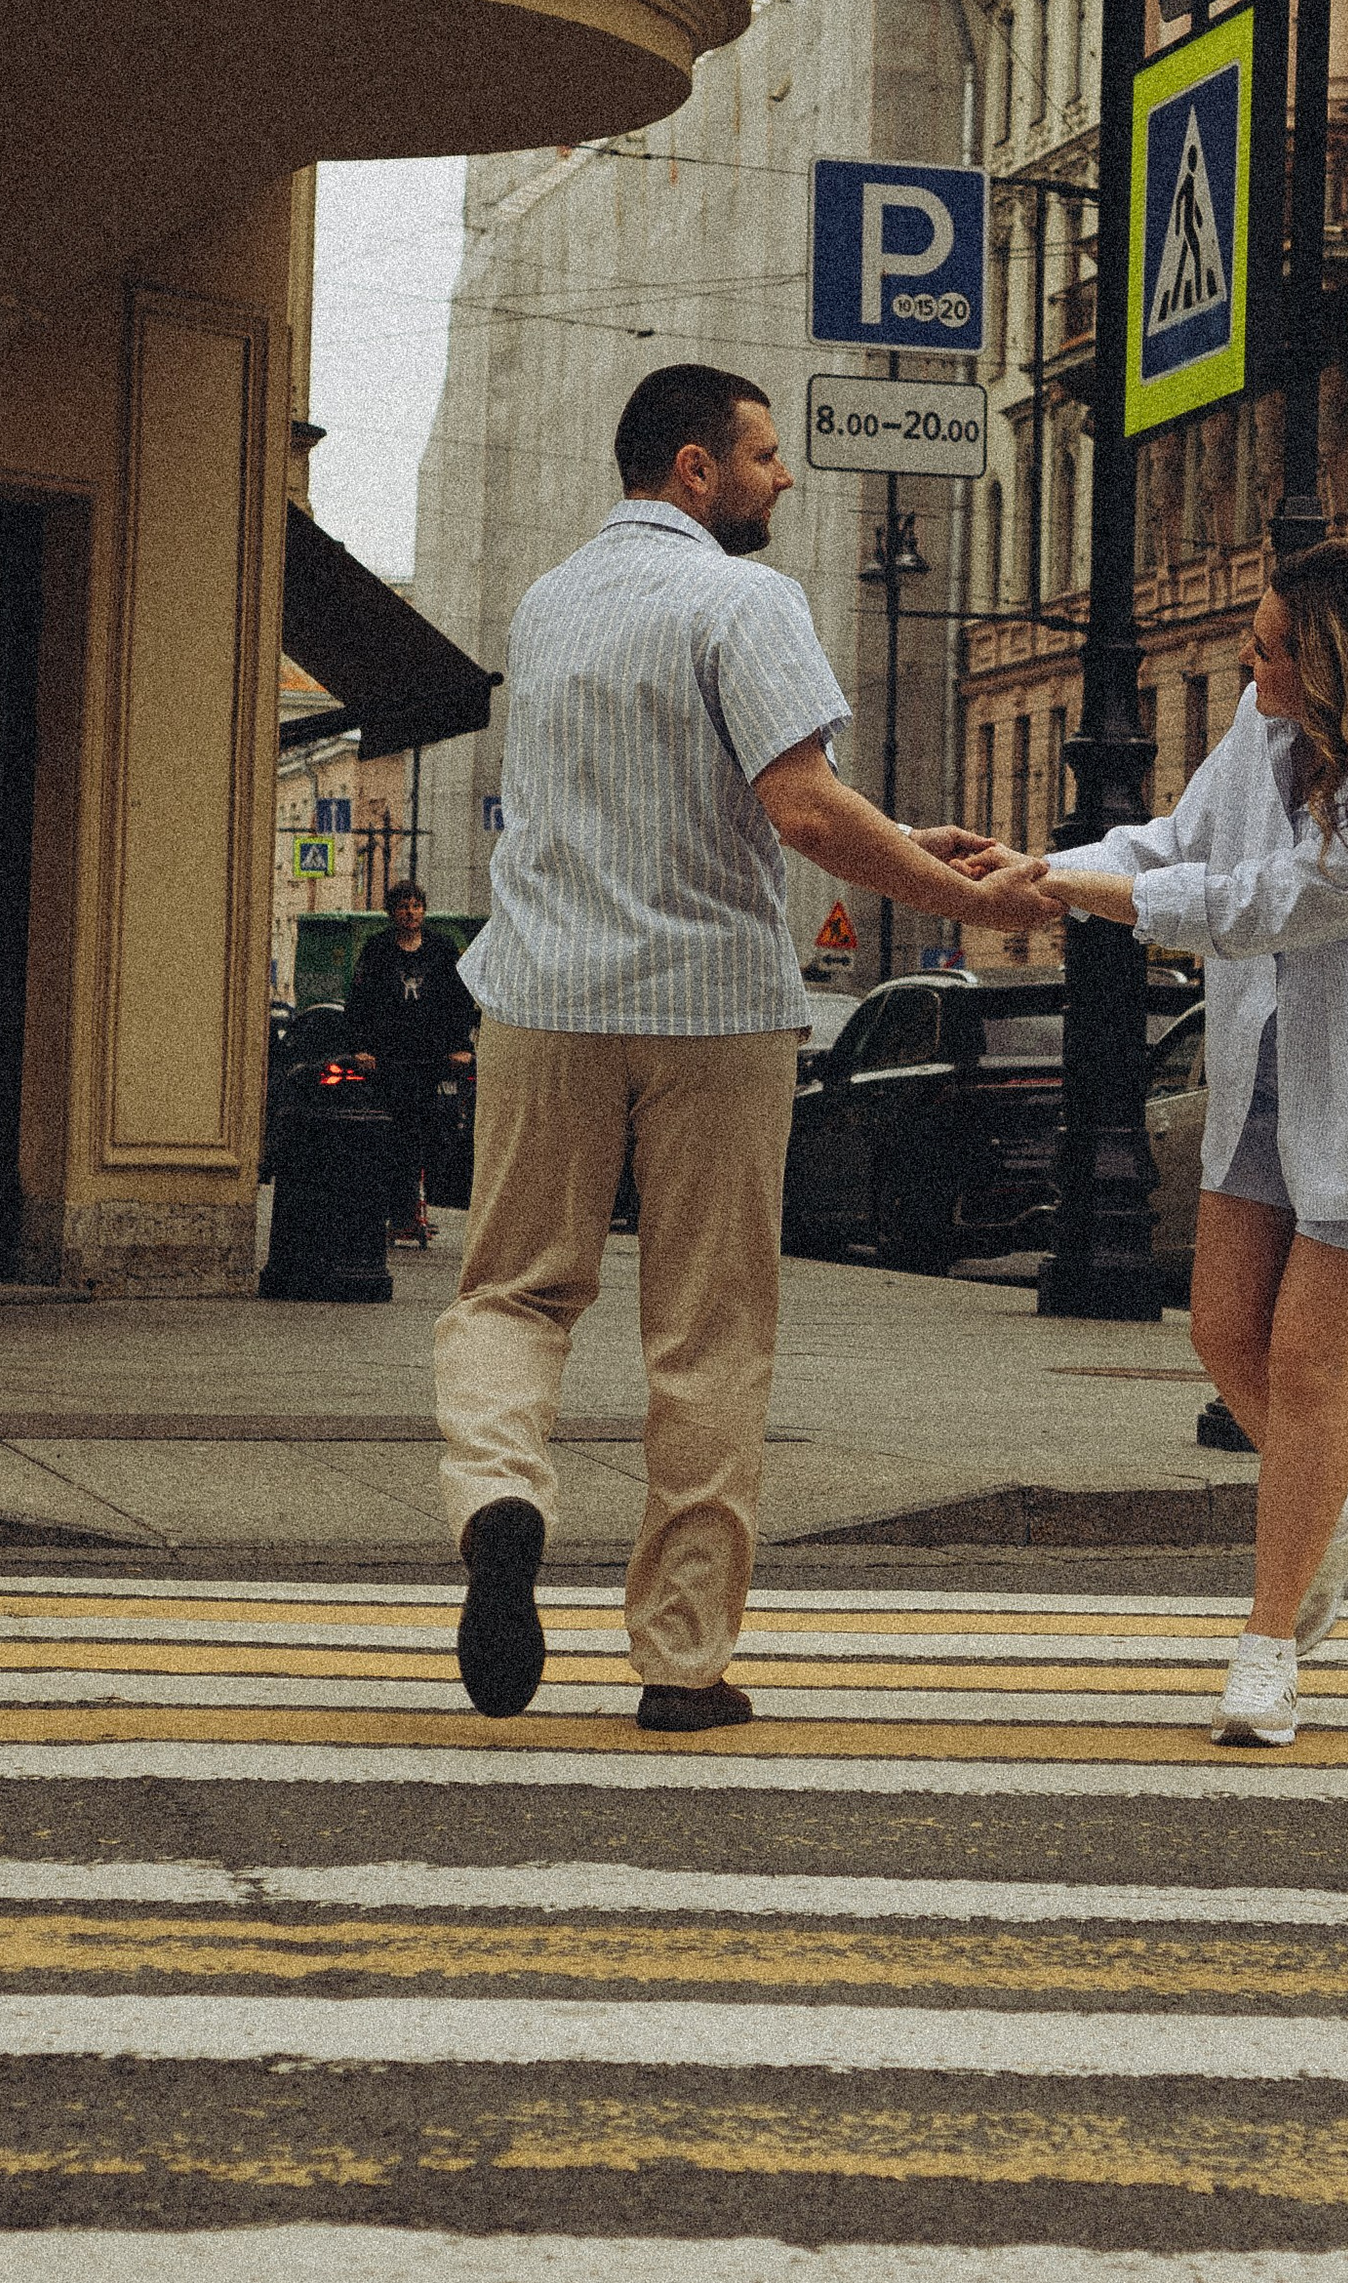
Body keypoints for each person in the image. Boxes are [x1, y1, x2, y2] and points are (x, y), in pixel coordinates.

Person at [439, 363, 1048, 1735]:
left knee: (512, 1294)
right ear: (695, 472)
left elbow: (764, 790)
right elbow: (799, 806)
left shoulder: (547, 603)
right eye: (765, 456)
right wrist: (959, 895)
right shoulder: (743, 597)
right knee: (707, 1331)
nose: (786, 478)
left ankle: (498, 1503)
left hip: (541, 996)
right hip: (710, 1006)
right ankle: (680, 1661)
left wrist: (897, 830)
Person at [1042, 541, 1348, 1753]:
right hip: (1263, 1085)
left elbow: (1260, 906)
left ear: (1336, 661)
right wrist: (1048, 871)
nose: (1250, 653)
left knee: (1304, 1364)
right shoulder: (1255, 729)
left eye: (1273, 641)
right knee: (1218, 1332)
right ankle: (1336, 1513)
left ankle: (1267, 1645)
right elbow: (1180, 845)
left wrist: (1076, 897)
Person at [345, 881, 476, 1243]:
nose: (410, 912)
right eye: (403, 906)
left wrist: (460, 1046)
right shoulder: (378, 950)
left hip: (431, 1057)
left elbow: (458, 1000)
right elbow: (360, 1003)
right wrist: (361, 1048)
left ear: (424, 910)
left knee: (430, 1135)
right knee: (394, 1136)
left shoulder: (441, 949)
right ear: (392, 912)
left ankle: (413, 1210)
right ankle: (398, 1213)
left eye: (416, 905)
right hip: (389, 1058)